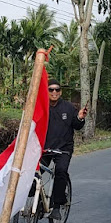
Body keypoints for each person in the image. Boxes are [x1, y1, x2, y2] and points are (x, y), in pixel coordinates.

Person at [44, 79, 87, 220]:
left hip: (63, 149)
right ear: (47, 91)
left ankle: (57, 206)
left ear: (60, 92)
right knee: (33, 169)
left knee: (61, 171)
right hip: (44, 148)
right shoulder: (41, 106)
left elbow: (77, 125)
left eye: (57, 89)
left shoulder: (68, 107)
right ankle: (35, 195)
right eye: (51, 89)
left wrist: (80, 118)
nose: (54, 92)